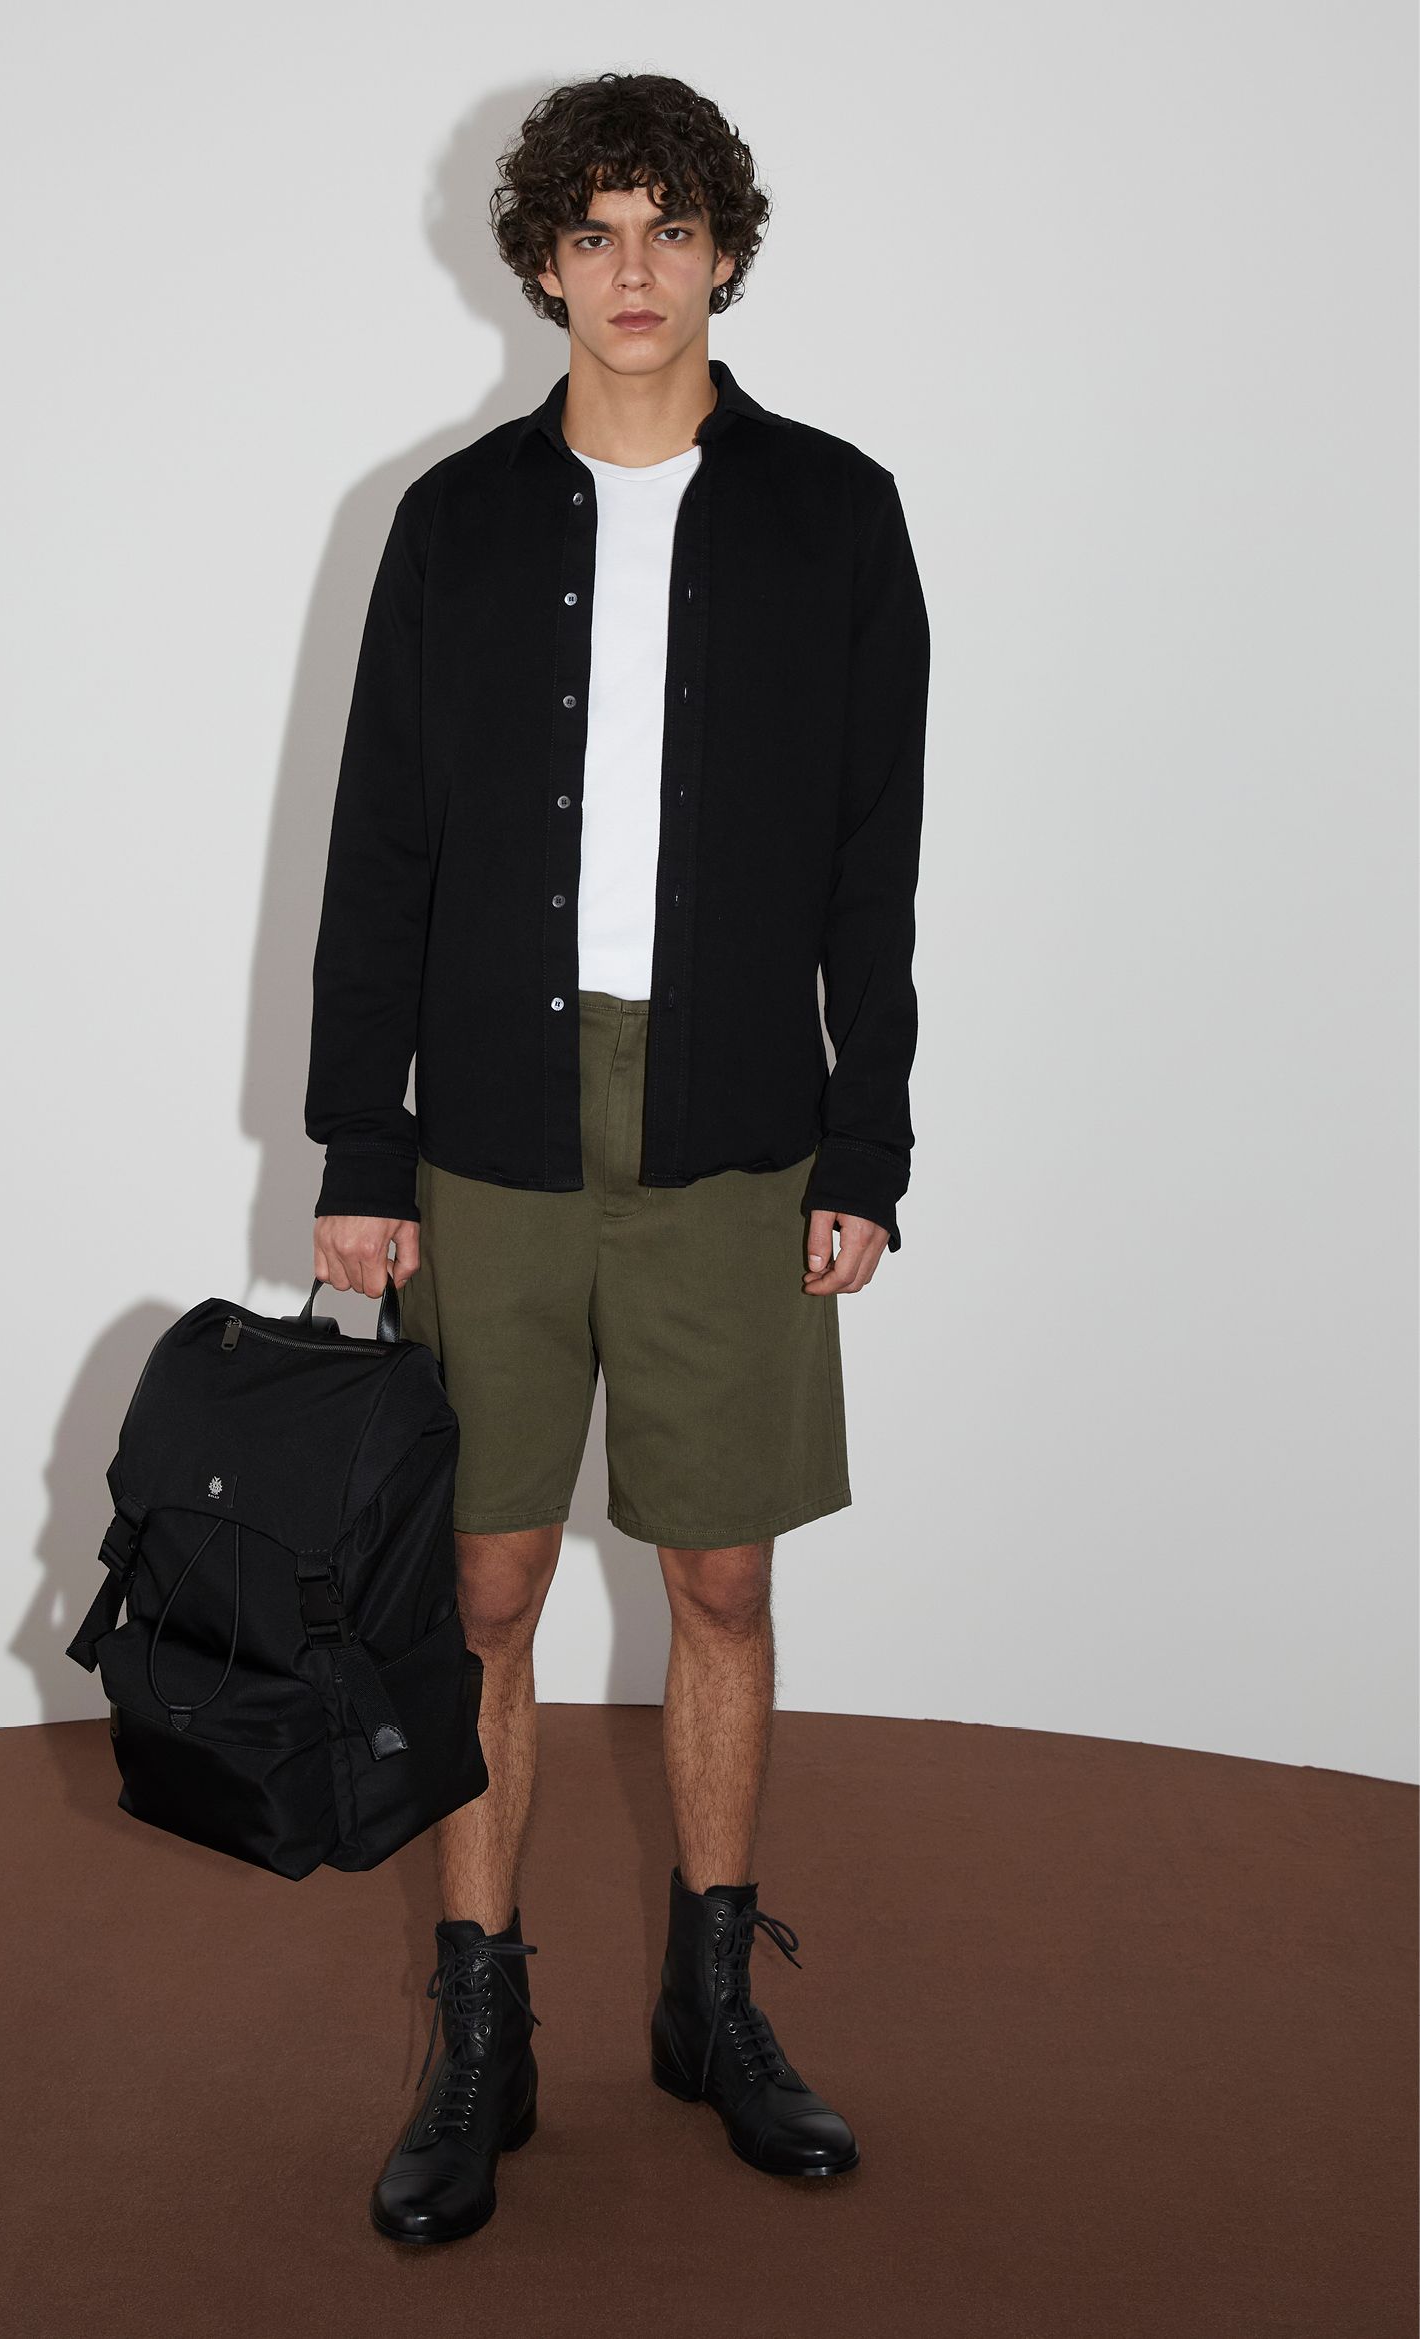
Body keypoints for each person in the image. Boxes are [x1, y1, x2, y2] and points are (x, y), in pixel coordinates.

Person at [304, 70, 930, 2245]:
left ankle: (710, 2005)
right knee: (480, 1583)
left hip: (736, 1119)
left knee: (720, 1578)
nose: (634, 268)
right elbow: (381, 852)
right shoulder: (454, 523)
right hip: (488, 1117)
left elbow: (872, 862)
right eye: (594, 231)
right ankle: (481, 2032)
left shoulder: (834, 515)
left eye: (670, 227)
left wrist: (866, 1138)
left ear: (723, 254)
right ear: (544, 264)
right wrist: (360, 1143)